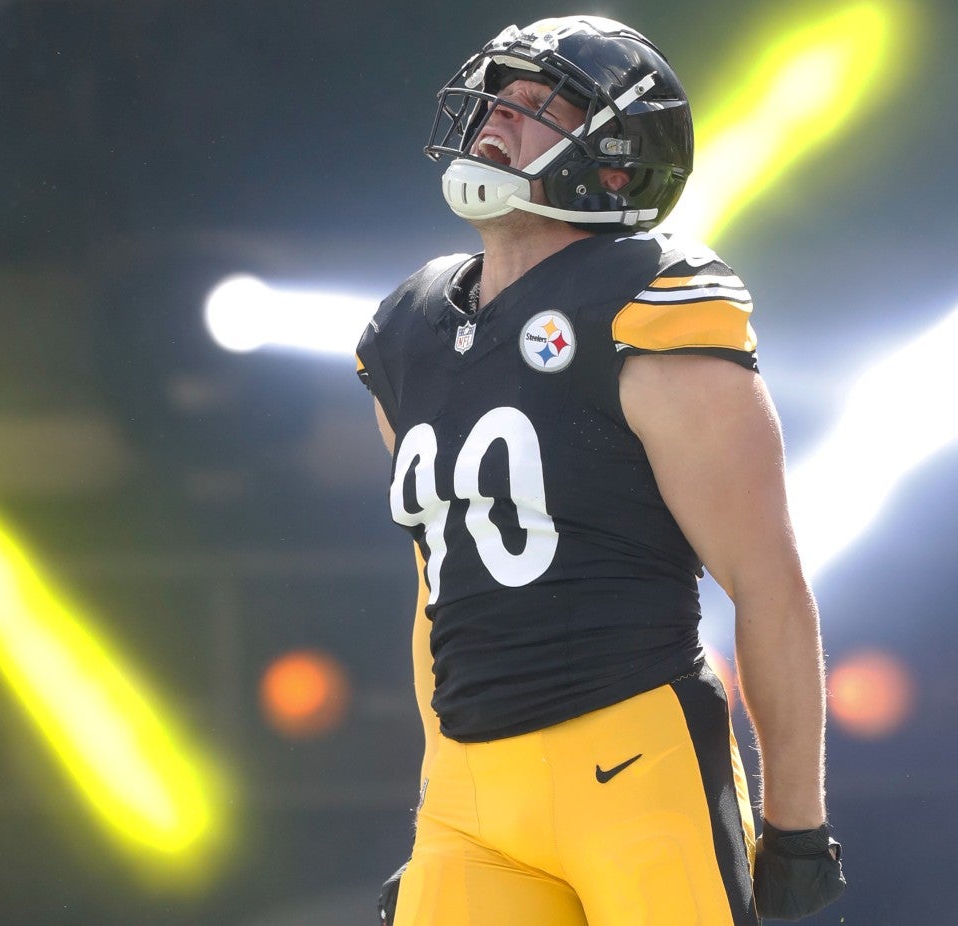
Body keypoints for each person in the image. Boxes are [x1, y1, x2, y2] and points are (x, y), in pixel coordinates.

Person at [355, 15, 845, 925]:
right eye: (500, 92)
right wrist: (438, 795)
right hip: (467, 793)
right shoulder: (409, 329)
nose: (500, 113)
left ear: (612, 166)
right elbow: (442, 592)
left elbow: (769, 586)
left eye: (541, 103)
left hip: (630, 765)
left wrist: (798, 828)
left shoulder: (652, 307)